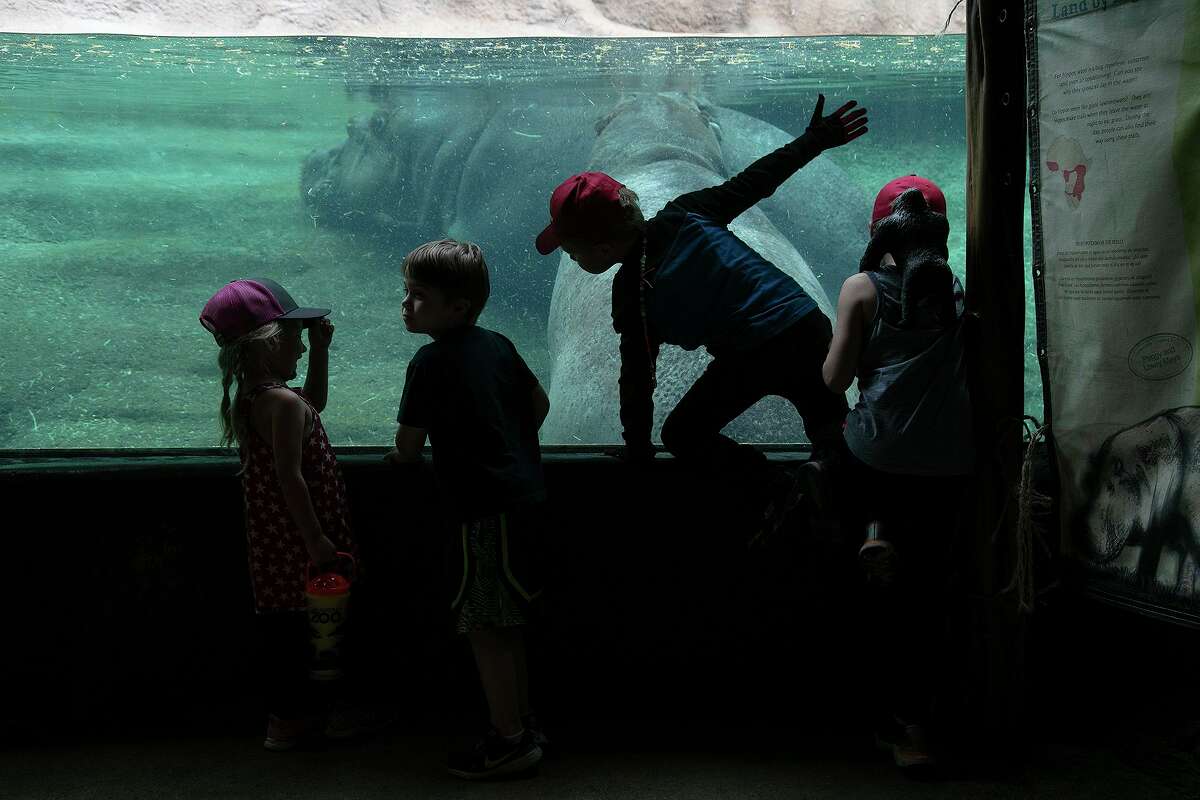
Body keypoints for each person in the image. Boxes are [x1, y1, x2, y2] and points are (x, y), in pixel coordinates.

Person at [535, 94, 868, 540]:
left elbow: (638, 377)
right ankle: (850, 513)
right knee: (829, 429)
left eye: (572, 250)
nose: (572, 259)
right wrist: (815, 140)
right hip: (803, 322)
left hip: (752, 353)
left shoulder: (629, 292)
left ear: (601, 249)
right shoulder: (686, 211)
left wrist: (637, 450)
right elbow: (756, 181)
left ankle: (776, 488)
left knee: (683, 434)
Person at [821, 176, 974, 770]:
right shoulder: (957, 289)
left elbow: (833, 381)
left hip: (879, 458)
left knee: (849, 449)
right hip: (949, 464)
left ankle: (873, 535)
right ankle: (916, 730)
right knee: (928, 594)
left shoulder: (862, 288)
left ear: (877, 232)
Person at [386, 239, 549, 780]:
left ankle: (509, 741)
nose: (406, 304)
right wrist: (513, 446)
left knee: (485, 626)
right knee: (508, 622)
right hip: (525, 498)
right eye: (407, 293)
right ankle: (522, 722)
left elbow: (408, 448)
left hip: (484, 511)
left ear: (457, 307)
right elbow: (538, 403)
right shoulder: (499, 344)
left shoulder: (429, 362)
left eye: (418, 296)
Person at [200, 277, 372, 751]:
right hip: (300, 538)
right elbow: (290, 477)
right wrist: (316, 539)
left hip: (274, 541)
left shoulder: (260, 398)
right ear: (269, 342)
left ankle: (289, 719)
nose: (300, 344)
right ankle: (317, 718)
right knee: (317, 629)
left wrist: (320, 351)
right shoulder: (279, 403)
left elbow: (311, 402)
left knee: (288, 626)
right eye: (296, 336)